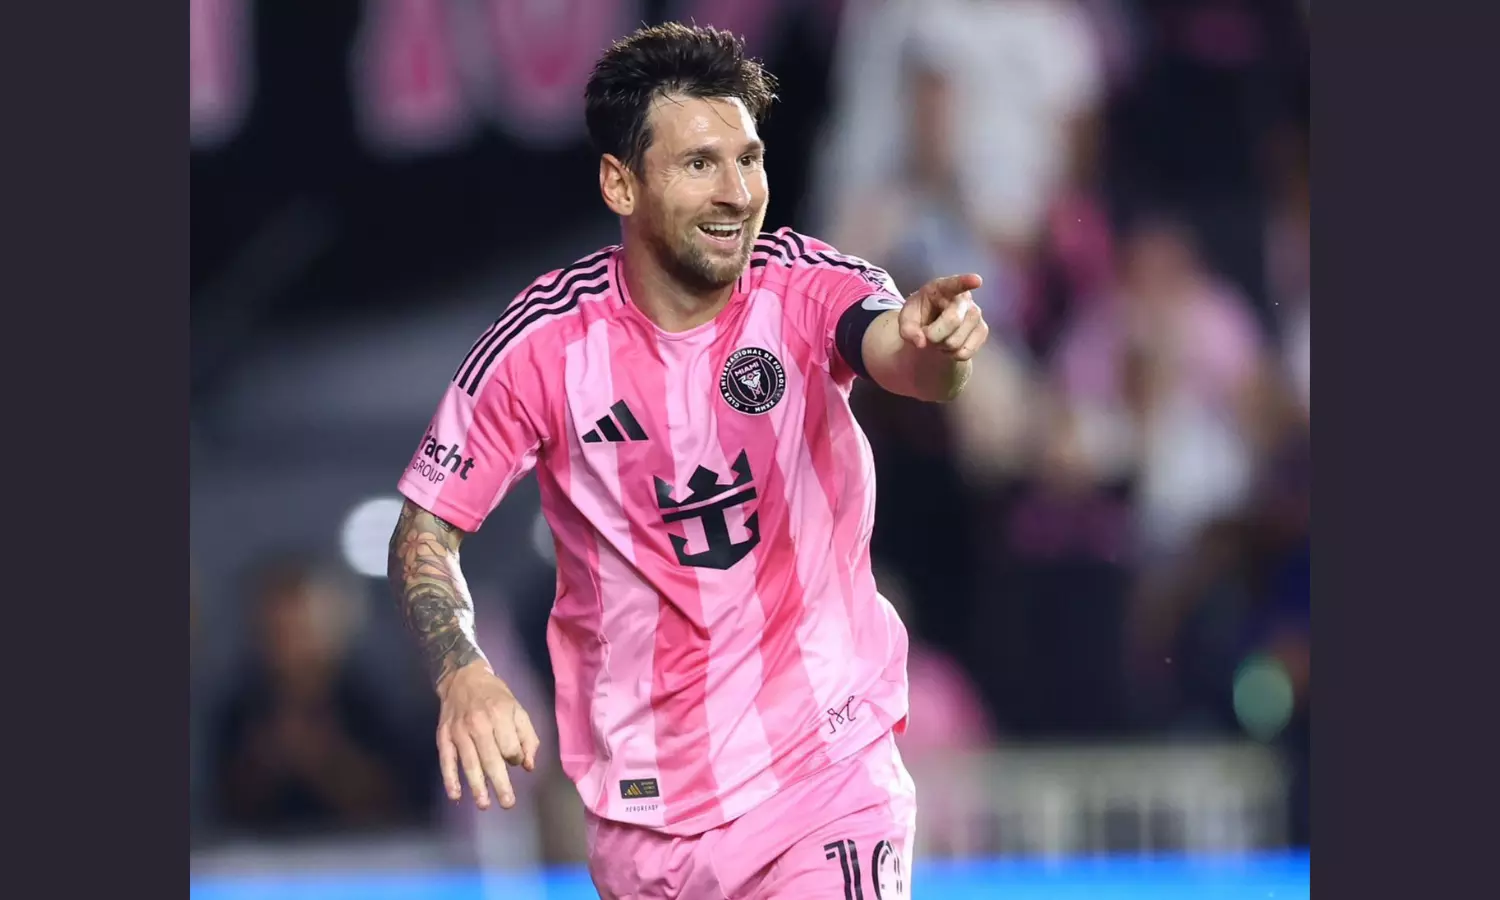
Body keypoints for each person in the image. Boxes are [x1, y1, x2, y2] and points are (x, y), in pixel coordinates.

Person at [387, 23, 990, 899]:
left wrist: (942, 350)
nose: (737, 193)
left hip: (822, 780)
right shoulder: (543, 345)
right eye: (700, 164)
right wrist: (463, 670)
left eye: (749, 160)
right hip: (644, 821)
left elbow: (904, 355)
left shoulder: (803, 283)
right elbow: (425, 529)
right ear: (620, 182)